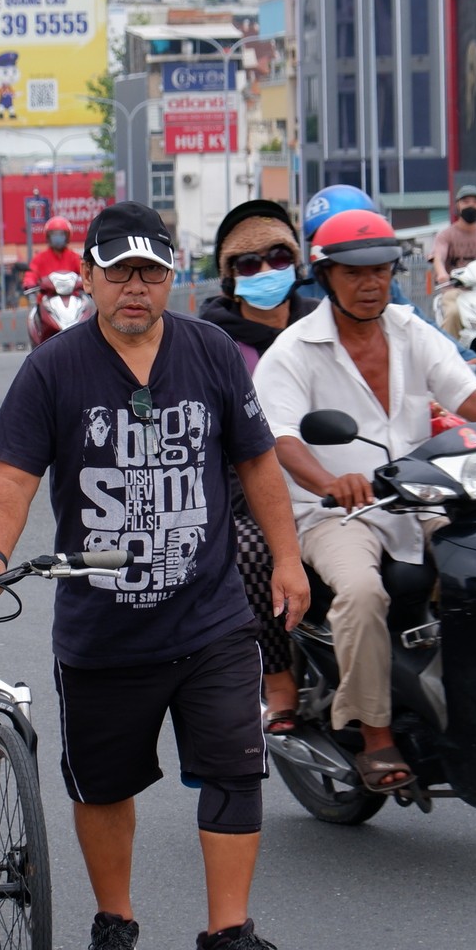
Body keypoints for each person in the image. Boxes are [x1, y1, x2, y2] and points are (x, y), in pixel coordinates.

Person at [0, 201, 312, 950]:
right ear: (89, 277)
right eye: (118, 272)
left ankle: (227, 938)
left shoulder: (212, 352)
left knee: (235, 771)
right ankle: (114, 921)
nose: (135, 288)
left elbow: (258, 464)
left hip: (212, 614)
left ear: (171, 277)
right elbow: (15, 477)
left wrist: (286, 559)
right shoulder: (54, 369)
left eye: (150, 272)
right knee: (105, 785)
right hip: (103, 628)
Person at [251, 210, 476, 792]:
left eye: (382, 270)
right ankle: (375, 734)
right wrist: (328, 482)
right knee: (364, 593)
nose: (371, 283)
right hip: (337, 513)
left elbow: (466, 394)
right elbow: (282, 438)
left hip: (421, 494)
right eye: (355, 273)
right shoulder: (293, 350)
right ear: (325, 276)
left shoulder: (409, 329)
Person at [197, 200, 322, 734]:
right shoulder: (213, 343)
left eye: (277, 258)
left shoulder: (325, 322)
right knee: (250, 551)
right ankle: (278, 680)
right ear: (230, 276)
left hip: (329, 473)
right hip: (242, 486)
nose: (266, 272)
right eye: (249, 265)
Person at [428, 184, 476, 340]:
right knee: (453, 313)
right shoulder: (446, 235)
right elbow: (439, 256)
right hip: (457, 291)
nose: (471, 205)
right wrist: (442, 273)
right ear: (457, 205)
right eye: (466, 201)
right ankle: (450, 351)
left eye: (475, 202)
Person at [22, 216, 83, 291]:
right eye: (54, 234)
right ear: (48, 237)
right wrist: (29, 283)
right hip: (47, 298)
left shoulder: (75, 257)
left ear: (67, 236)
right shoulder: (39, 258)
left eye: (61, 234)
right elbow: (31, 274)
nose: (58, 237)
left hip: (73, 297)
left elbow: (85, 273)